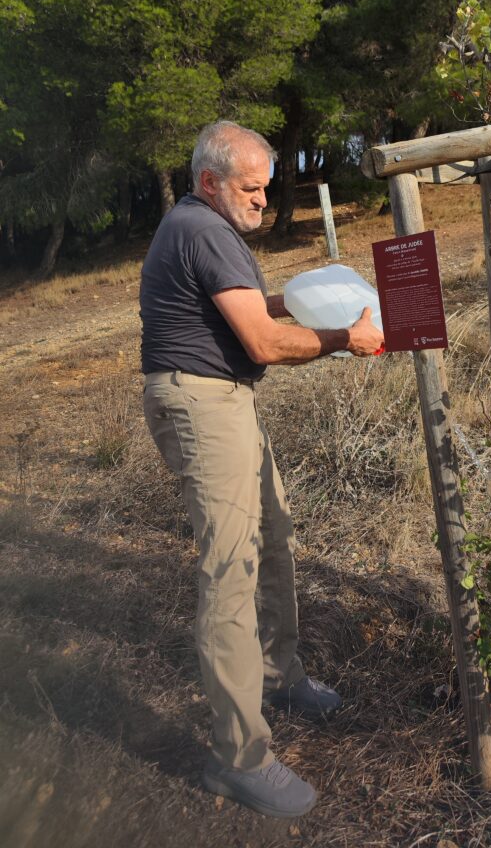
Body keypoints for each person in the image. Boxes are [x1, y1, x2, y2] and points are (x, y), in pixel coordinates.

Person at [140, 121, 384, 819]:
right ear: (210, 181)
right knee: (230, 571)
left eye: (266, 187)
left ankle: (279, 678)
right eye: (251, 188)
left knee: (270, 541)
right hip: (201, 401)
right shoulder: (202, 229)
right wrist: (346, 338)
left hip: (224, 399)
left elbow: (251, 311)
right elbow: (262, 340)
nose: (262, 199)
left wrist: (316, 302)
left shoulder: (207, 231)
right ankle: (238, 757)